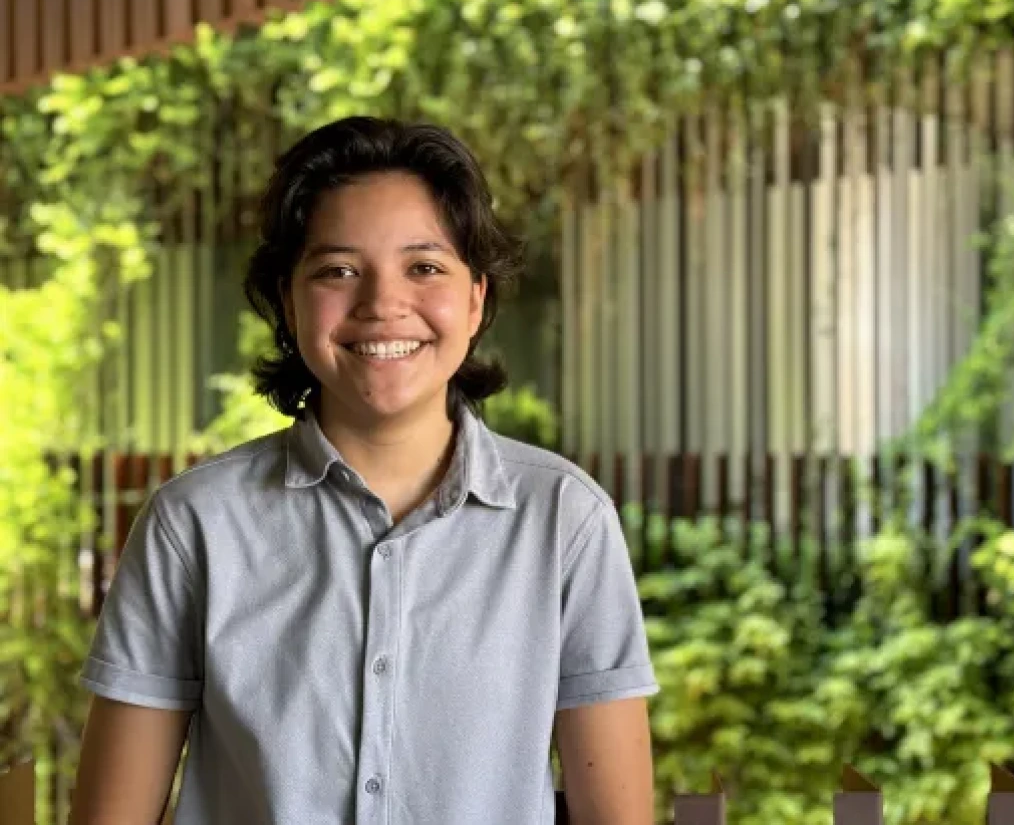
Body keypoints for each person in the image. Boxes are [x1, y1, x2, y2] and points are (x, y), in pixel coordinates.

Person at [69, 118, 659, 824]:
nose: (383, 303)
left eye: (425, 266)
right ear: (288, 300)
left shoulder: (566, 520)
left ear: (475, 298)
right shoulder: (192, 524)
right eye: (338, 269)